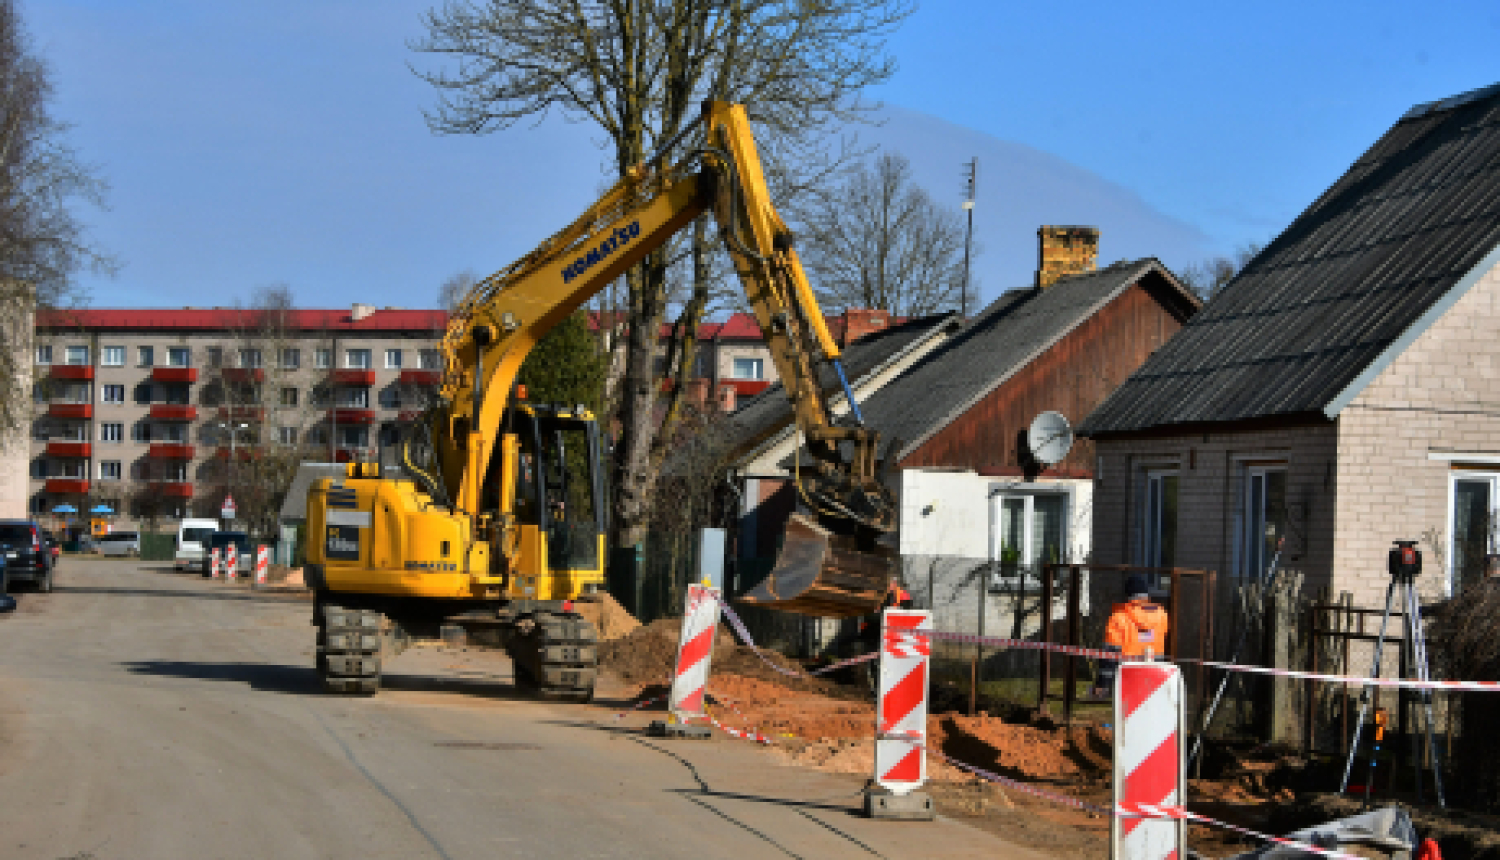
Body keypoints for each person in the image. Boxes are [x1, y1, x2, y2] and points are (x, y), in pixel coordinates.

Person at [1092, 574, 1169, 697]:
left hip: (1127, 678)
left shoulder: (1118, 618)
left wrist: (1102, 684)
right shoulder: (1162, 616)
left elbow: (1110, 654)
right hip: (1154, 677)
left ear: (1127, 595)